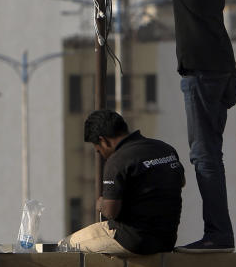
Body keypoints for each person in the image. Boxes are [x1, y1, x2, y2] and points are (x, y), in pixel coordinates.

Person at [94, 0, 236, 253]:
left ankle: (218, 235)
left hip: (200, 72)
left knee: (204, 157)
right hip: (224, 70)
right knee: (211, 153)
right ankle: (218, 233)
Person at [64, 109, 185, 255]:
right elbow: (181, 181)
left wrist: (100, 203)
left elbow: (111, 211)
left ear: (104, 141)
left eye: (98, 150)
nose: (101, 155)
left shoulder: (117, 161)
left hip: (133, 240)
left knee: (64, 247)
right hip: (167, 240)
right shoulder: (164, 148)